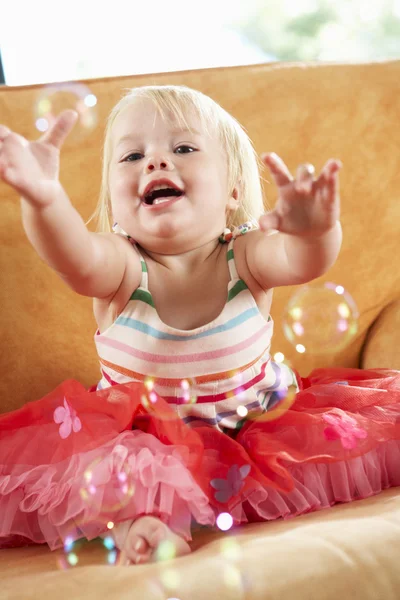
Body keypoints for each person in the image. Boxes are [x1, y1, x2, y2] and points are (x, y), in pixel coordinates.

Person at [0, 85, 399, 567]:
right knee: (119, 474)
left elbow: (301, 261)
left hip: (255, 429)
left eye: (183, 148)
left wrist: (316, 231)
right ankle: (139, 524)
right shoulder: (121, 268)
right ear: (115, 201)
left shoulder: (248, 256)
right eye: (131, 156)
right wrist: (44, 201)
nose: (155, 163)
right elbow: (73, 256)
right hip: (144, 442)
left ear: (233, 191)